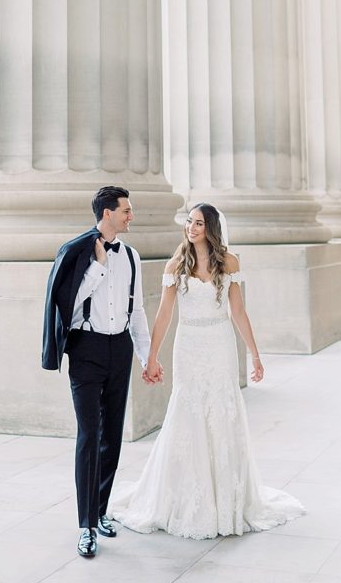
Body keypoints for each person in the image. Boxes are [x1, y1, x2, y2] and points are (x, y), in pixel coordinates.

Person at [109, 203, 304, 539]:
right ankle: (187, 499)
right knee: (188, 410)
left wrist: (255, 355)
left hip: (219, 343)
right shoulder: (176, 265)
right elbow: (164, 316)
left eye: (199, 223)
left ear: (211, 228)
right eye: (189, 222)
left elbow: (239, 312)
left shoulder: (229, 262)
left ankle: (227, 499)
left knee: (221, 410)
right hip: (189, 345)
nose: (192, 228)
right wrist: (151, 357)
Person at [41, 185, 152, 560]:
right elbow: (67, 307)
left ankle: (101, 509)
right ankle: (85, 525)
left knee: (113, 436)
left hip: (119, 348)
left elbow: (136, 312)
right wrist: (98, 268)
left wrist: (147, 357)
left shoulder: (133, 256)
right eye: (126, 211)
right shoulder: (79, 252)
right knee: (89, 435)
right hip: (86, 349)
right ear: (107, 213)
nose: (130, 216)